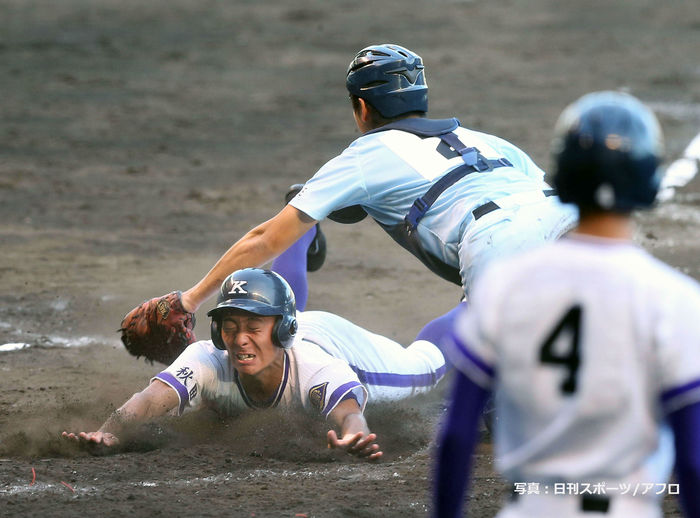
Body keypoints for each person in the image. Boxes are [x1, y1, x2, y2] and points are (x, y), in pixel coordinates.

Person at [433, 91, 700, 517]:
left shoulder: (504, 285)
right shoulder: (676, 300)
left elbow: (457, 436)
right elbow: (692, 460)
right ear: (648, 183)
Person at [166, 43, 576, 320]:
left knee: (484, 390)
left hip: (497, 240)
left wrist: (189, 300)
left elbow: (265, 239)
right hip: (569, 218)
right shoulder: (484, 139)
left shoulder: (363, 157)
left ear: (361, 107)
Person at [64, 236, 452, 460]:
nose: (240, 338)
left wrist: (355, 434)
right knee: (271, 294)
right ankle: (303, 232)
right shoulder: (209, 360)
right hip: (289, 323)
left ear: (281, 331)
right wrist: (109, 432)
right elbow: (150, 399)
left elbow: (349, 414)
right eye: (230, 326)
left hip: (342, 346)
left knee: (425, 364)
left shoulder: (317, 369)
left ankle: (480, 301)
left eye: (253, 326)